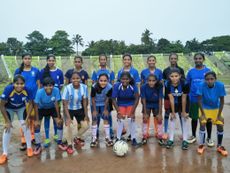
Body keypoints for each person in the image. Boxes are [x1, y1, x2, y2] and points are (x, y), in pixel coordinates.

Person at [0, 75, 34, 164]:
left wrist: (27, 118)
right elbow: (2, 105)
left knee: (25, 125)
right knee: (8, 128)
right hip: (9, 108)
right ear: (13, 83)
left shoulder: (28, 90)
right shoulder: (8, 89)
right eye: (17, 83)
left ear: (24, 84)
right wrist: (7, 121)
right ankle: (4, 153)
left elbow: (31, 104)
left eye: (21, 84)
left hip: (21, 108)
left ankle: (29, 147)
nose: (19, 86)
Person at [33, 77, 67, 155]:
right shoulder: (39, 92)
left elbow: (56, 104)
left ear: (53, 85)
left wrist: (59, 117)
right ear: (43, 86)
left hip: (52, 108)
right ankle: (38, 145)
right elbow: (36, 105)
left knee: (60, 123)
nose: (48, 87)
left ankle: (59, 142)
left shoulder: (56, 90)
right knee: (36, 125)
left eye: (50, 85)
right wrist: (37, 119)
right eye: (46, 86)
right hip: (41, 109)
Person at [197, 71, 228, 156]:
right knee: (202, 124)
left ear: (215, 79)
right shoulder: (201, 85)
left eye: (212, 79)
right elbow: (199, 100)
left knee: (220, 125)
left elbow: (222, 101)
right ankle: (201, 145)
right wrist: (203, 113)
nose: (209, 81)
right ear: (205, 80)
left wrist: (219, 115)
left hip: (216, 108)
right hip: (205, 108)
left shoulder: (220, 85)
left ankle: (219, 146)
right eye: (207, 79)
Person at [14, 53, 40, 150]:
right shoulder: (18, 71)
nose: (27, 60)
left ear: (31, 59)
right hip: (22, 99)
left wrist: (38, 97)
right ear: (22, 59)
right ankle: (24, 139)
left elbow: (39, 84)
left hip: (33, 98)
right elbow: (16, 85)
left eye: (29, 58)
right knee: (24, 119)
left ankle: (32, 137)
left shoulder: (35, 70)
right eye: (25, 58)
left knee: (32, 118)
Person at [186, 53, 211, 145]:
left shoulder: (208, 71)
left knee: (207, 118)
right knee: (194, 118)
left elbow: (211, 84)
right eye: (196, 59)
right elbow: (187, 84)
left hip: (206, 100)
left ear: (203, 59)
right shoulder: (191, 71)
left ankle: (209, 138)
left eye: (200, 58)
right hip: (194, 99)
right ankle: (193, 136)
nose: (198, 60)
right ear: (194, 60)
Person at [40, 54, 64, 147]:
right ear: (47, 61)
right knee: (46, 119)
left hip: (56, 98)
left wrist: (56, 94)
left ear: (55, 61)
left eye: (53, 60)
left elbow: (61, 85)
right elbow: (41, 86)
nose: (51, 62)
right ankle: (46, 138)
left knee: (56, 117)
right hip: (46, 100)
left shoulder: (59, 72)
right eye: (49, 60)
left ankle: (56, 134)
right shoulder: (43, 71)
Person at [62, 72, 89, 154]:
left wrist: (86, 115)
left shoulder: (84, 87)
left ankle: (76, 137)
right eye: (73, 78)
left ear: (80, 79)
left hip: (79, 109)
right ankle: (69, 144)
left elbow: (84, 102)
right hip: (69, 109)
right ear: (70, 80)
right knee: (69, 126)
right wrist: (68, 118)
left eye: (77, 78)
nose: (75, 80)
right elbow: (65, 104)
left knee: (86, 125)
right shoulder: (67, 88)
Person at [112, 71, 140, 146]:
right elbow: (114, 99)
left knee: (131, 119)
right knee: (120, 119)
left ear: (130, 79)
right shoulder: (116, 86)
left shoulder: (133, 86)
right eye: (123, 79)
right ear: (120, 79)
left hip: (131, 103)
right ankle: (118, 138)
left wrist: (132, 112)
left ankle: (133, 138)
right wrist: (118, 112)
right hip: (121, 103)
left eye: (127, 79)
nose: (124, 81)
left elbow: (137, 98)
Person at [165, 69, 190, 150]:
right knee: (172, 118)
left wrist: (183, 111)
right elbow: (171, 98)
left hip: (184, 102)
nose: (174, 78)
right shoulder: (167, 83)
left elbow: (184, 98)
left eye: (176, 76)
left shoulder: (185, 83)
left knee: (184, 118)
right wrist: (172, 112)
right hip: (174, 102)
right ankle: (171, 139)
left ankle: (185, 140)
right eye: (172, 76)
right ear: (169, 77)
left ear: (180, 76)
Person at [91, 54, 115, 138]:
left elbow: (112, 83)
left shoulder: (110, 71)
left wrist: (111, 96)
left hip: (107, 96)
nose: (103, 61)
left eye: (104, 59)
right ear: (99, 61)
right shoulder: (95, 71)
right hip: (98, 97)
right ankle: (96, 131)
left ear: (106, 60)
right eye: (101, 59)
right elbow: (93, 83)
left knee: (108, 114)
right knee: (96, 115)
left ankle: (110, 130)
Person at [162, 53, 185, 140]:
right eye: (171, 58)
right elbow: (164, 83)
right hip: (168, 96)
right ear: (169, 59)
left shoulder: (181, 70)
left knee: (180, 114)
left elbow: (183, 82)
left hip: (178, 96)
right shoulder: (165, 70)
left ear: (177, 59)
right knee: (167, 113)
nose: (173, 60)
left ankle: (183, 132)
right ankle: (165, 132)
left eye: (175, 58)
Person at [141, 55, 163, 138]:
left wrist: (160, 113)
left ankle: (159, 133)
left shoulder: (159, 72)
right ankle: (145, 133)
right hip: (146, 98)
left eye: (153, 60)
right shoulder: (143, 72)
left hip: (156, 99)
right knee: (145, 116)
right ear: (147, 62)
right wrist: (142, 99)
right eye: (149, 60)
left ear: (155, 61)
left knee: (158, 117)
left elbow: (160, 83)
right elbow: (142, 84)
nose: (151, 62)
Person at [90, 73, 113, 147]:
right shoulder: (94, 87)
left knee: (106, 118)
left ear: (108, 81)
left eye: (105, 81)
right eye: (101, 80)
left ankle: (107, 137)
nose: (103, 82)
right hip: (95, 103)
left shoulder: (109, 87)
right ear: (98, 80)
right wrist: (94, 110)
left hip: (103, 103)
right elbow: (93, 99)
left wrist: (106, 109)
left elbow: (107, 99)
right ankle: (94, 138)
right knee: (95, 119)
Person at [141, 74, 164, 145]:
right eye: (149, 81)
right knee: (145, 118)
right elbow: (143, 99)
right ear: (147, 81)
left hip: (156, 103)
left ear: (156, 81)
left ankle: (159, 136)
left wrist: (160, 113)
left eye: (153, 81)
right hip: (147, 103)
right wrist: (144, 113)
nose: (151, 82)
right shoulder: (143, 87)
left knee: (159, 119)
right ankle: (145, 135)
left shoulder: (159, 87)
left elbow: (160, 99)